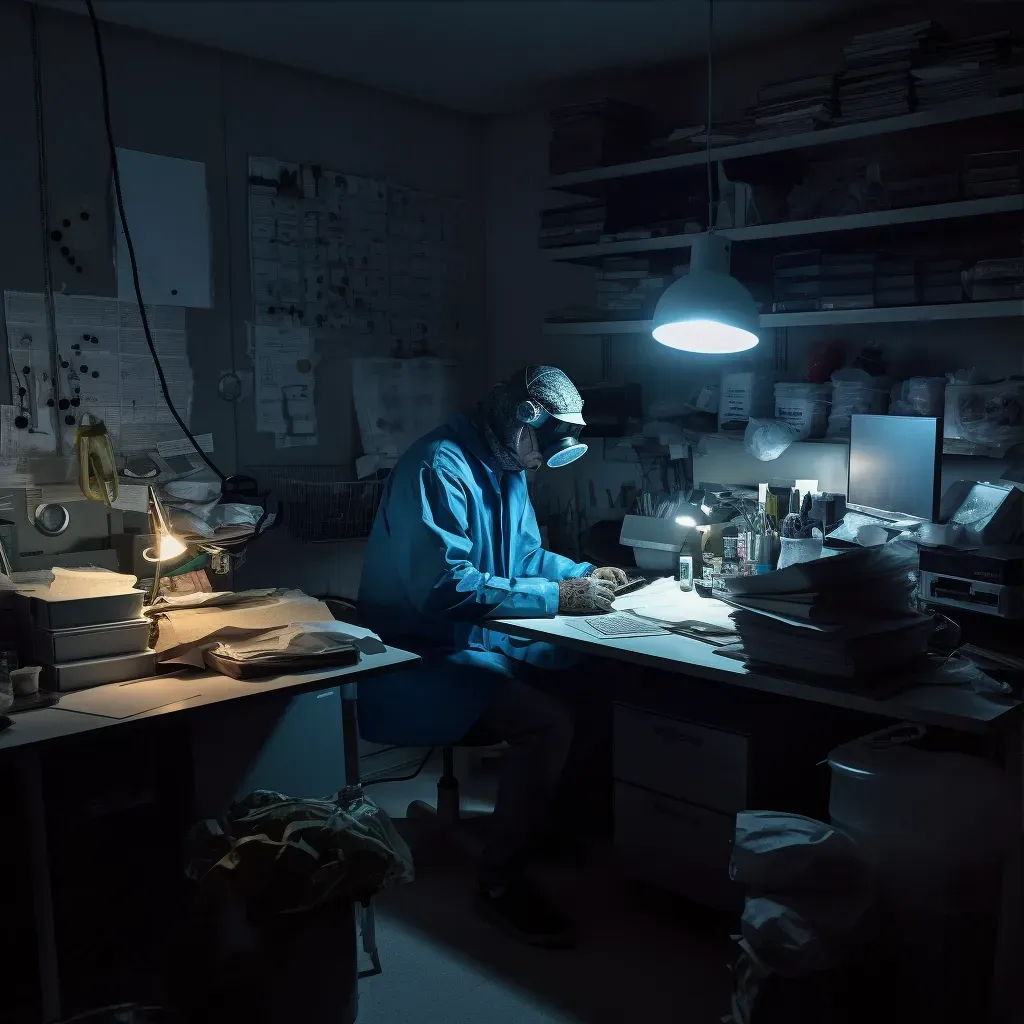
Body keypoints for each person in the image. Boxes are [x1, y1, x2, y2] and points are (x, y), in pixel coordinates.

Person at [358, 365, 626, 947]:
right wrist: (561, 598)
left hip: (476, 640)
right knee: (546, 723)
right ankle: (501, 882)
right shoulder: (439, 466)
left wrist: (584, 575)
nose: (539, 463)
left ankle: (543, 827)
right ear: (521, 419)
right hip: (414, 657)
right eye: (539, 448)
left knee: (596, 681)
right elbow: (445, 588)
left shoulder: (507, 465)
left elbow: (525, 560)